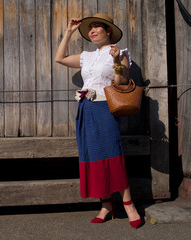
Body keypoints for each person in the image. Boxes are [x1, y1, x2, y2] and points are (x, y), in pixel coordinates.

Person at [55, 13, 141, 228]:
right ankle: (106, 204)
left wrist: (115, 61)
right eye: (90, 28)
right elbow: (60, 58)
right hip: (86, 107)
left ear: (108, 31)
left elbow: (121, 82)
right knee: (91, 155)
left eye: (97, 27)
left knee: (112, 152)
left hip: (105, 107)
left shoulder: (119, 53)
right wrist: (68, 32)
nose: (92, 31)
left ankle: (128, 204)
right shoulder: (87, 56)